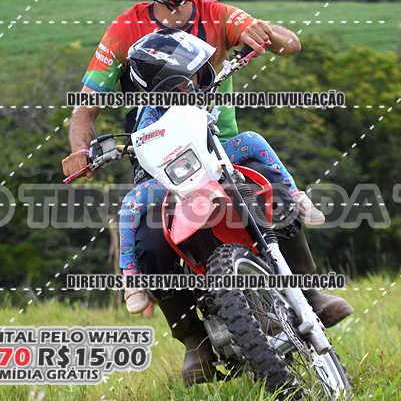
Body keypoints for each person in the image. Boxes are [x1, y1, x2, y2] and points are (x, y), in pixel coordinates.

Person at [62, 0, 352, 385]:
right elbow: (85, 108)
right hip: (159, 162)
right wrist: (81, 149)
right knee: (151, 240)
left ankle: (309, 294)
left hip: (222, 146)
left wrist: (267, 33)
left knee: (272, 194)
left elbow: (291, 44)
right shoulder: (124, 29)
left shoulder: (217, 13)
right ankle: (194, 343)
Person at [120, 27, 324, 314]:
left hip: (214, 157)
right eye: (179, 82)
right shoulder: (148, 114)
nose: (189, 84)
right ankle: (131, 277)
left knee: (252, 140)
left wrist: (243, 57)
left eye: (192, 76)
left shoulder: (204, 87)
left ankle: (296, 196)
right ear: (159, 87)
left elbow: (227, 70)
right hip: (171, 179)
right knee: (130, 204)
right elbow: (142, 143)